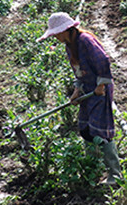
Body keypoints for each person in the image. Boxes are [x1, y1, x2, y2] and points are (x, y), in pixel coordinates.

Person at [37, 12, 122, 185]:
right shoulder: (70, 45)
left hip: (100, 89)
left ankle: (115, 175)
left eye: (56, 33)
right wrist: (77, 91)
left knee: (100, 130)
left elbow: (103, 61)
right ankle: (92, 167)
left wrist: (101, 85)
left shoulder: (85, 41)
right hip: (87, 88)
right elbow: (78, 72)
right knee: (85, 128)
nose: (55, 37)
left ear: (66, 30)